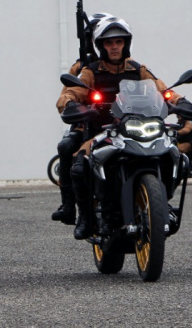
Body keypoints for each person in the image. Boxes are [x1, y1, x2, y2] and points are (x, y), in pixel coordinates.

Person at [56, 16, 170, 239]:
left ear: (126, 44)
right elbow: (70, 92)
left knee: (172, 153)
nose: (114, 46)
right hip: (101, 131)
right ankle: (85, 217)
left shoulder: (138, 69)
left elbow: (162, 89)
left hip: (135, 128)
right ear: (101, 46)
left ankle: (160, 203)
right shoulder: (89, 71)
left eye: (118, 41)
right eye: (109, 43)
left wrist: (178, 100)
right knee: (79, 165)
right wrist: (69, 103)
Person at [51, 12, 114, 225]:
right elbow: (68, 92)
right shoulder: (81, 68)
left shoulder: (129, 65)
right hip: (86, 126)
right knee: (66, 147)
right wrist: (72, 105)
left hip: (121, 124)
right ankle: (70, 206)